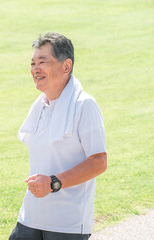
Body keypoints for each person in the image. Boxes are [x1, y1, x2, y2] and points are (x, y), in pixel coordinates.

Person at [9, 32, 107, 240]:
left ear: (66, 66)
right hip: (30, 216)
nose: (35, 69)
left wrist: (54, 183)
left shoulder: (85, 106)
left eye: (42, 62)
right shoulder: (40, 107)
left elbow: (99, 162)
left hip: (67, 224)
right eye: (33, 63)